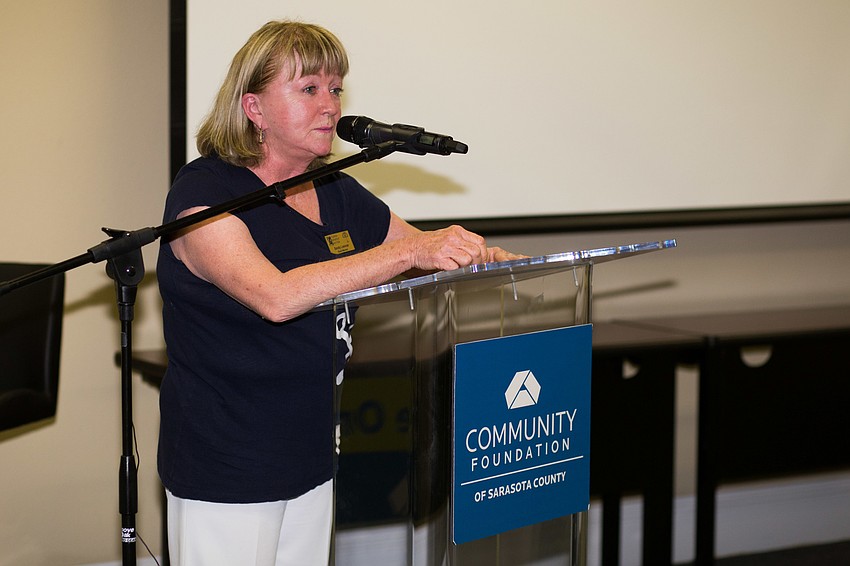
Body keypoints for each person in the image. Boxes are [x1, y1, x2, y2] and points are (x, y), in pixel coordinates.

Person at [156, 20, 521, 565]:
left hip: (310, 449)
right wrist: (406, 255)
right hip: (228, 459)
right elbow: (275, 297)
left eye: (336, 88)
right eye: (309, 89)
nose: (330, 105)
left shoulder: (334, 189)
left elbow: (420, 248)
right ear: (254, 107)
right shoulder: (206, 193)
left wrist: (486, 260)